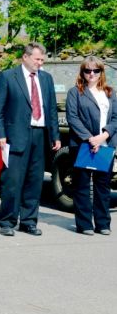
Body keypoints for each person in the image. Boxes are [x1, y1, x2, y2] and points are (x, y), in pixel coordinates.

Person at [0, 42, 61, 237]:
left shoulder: (46, 79)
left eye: (42, 59)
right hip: (15, 137)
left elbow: (52, 110)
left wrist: (55, 135)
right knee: (12, 181)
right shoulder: (8, 77)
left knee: (35, 181)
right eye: (38, 59)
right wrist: (0, 134)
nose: (41, 63)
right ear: (26, 57)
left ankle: (29, 221)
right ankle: (7, 221)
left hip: (40, 135)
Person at [66, 57, 117, 235]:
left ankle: (103, 224)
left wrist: (104, 135)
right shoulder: (75, 92)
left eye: (96, 71)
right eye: (87, 70)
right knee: (81, 185)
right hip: (83, 145)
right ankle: (85, 224)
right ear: (82, 72)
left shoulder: (110, 93)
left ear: (101, 72)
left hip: (105, 145)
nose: (91, 74)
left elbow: (115, 119)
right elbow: (72, 118)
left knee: (102, 187)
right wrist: (90, 139)